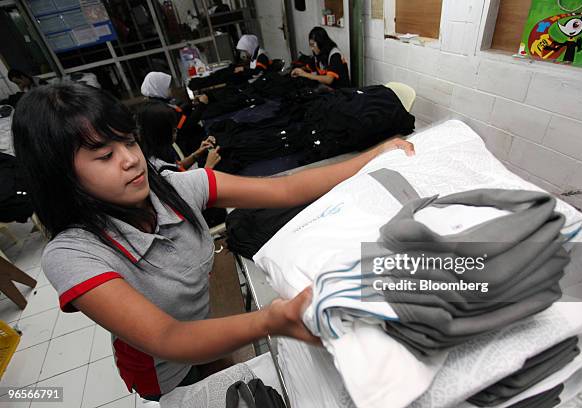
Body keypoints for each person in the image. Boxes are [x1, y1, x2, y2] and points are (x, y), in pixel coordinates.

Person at [12, 83, 415, 401]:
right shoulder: (72, 254)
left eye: (129, 142)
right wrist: (269, 320)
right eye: (104, 156)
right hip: (164, 372)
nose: (131, 159)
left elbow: (287, 190)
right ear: (61, 174)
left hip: (206, 331)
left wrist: (374, 156)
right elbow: (167, 339)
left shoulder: (174, 189)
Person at [135, 101, 221, 172]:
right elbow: (191, 191)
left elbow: (177, 166)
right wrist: (208, 167)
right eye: (172, 129)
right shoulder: (161, 170)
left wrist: (197, 153)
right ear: (160, 133)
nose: (176, 130)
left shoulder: (157, 153)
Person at [140, 71, 208, 157]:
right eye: (168, 87)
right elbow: (188, 124)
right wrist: (202, 105)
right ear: (159, 88)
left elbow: (178, 112)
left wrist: (191, 105)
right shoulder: (161, 110)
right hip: (185, 146)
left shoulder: (155, 103)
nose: (171, 89)